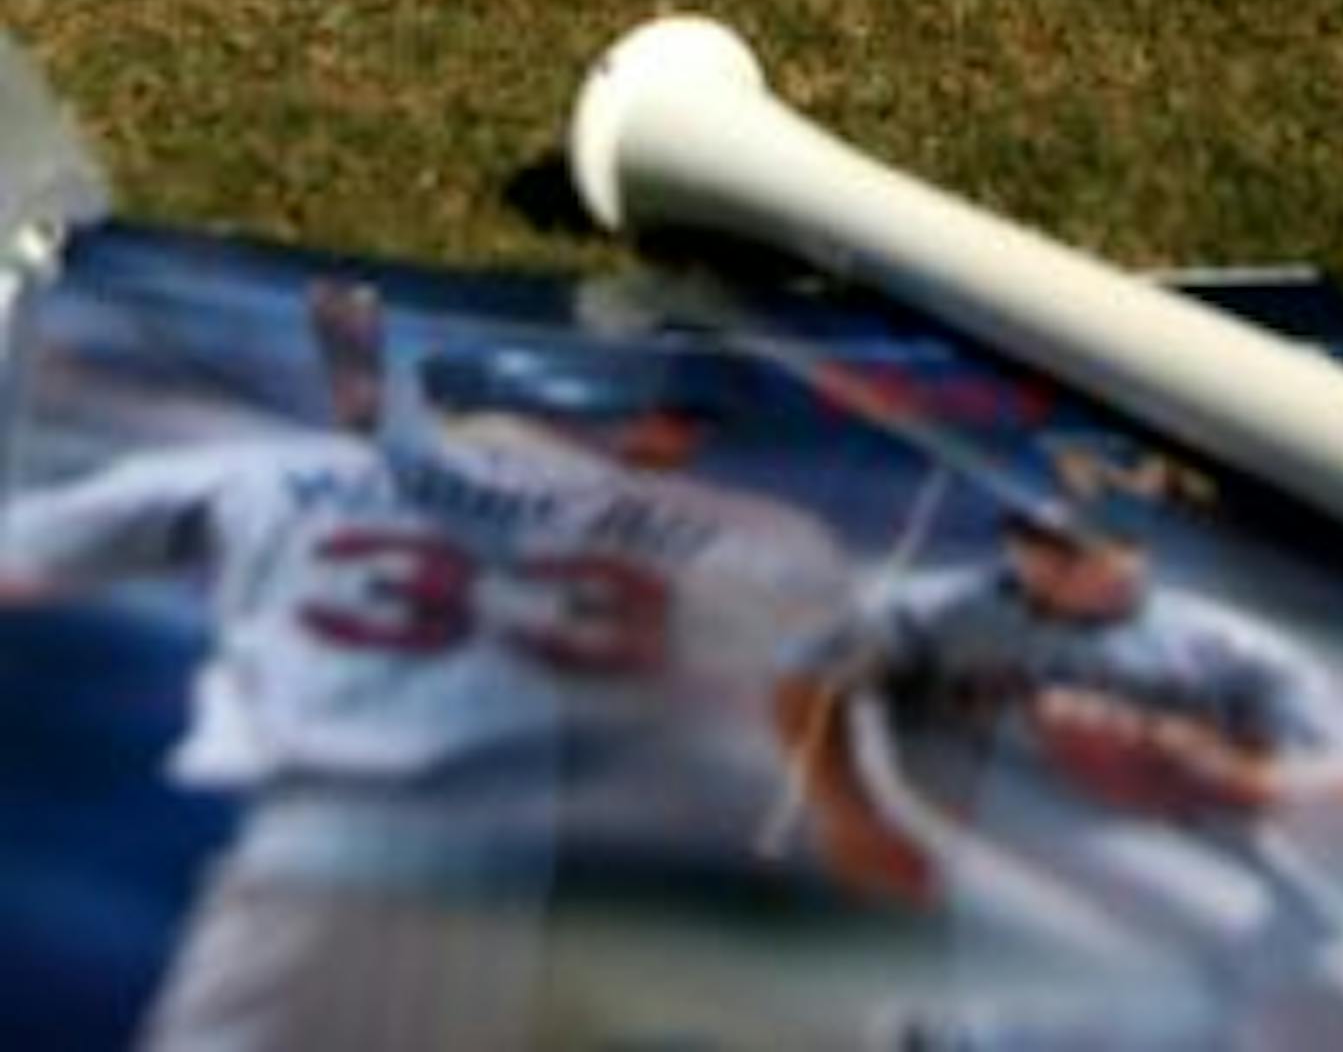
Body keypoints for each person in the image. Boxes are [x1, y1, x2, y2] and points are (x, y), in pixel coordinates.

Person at [0, 320, 854, 1050]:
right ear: (656, 426)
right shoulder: (756, 536)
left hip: (310, 863)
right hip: (521, 912)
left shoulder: (272, 467)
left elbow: (22, 559)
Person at [775, 499, 1343, 1048]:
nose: (1061, 559)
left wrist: (1251, 779)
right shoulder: (938, 609)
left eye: (1090, 543)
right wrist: (845, 810)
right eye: (1042, 540)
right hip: (990, 824)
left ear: (1137, 546)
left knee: (1328, 973)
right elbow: (805, 679)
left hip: (1176, 830)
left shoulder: (1214, 641)